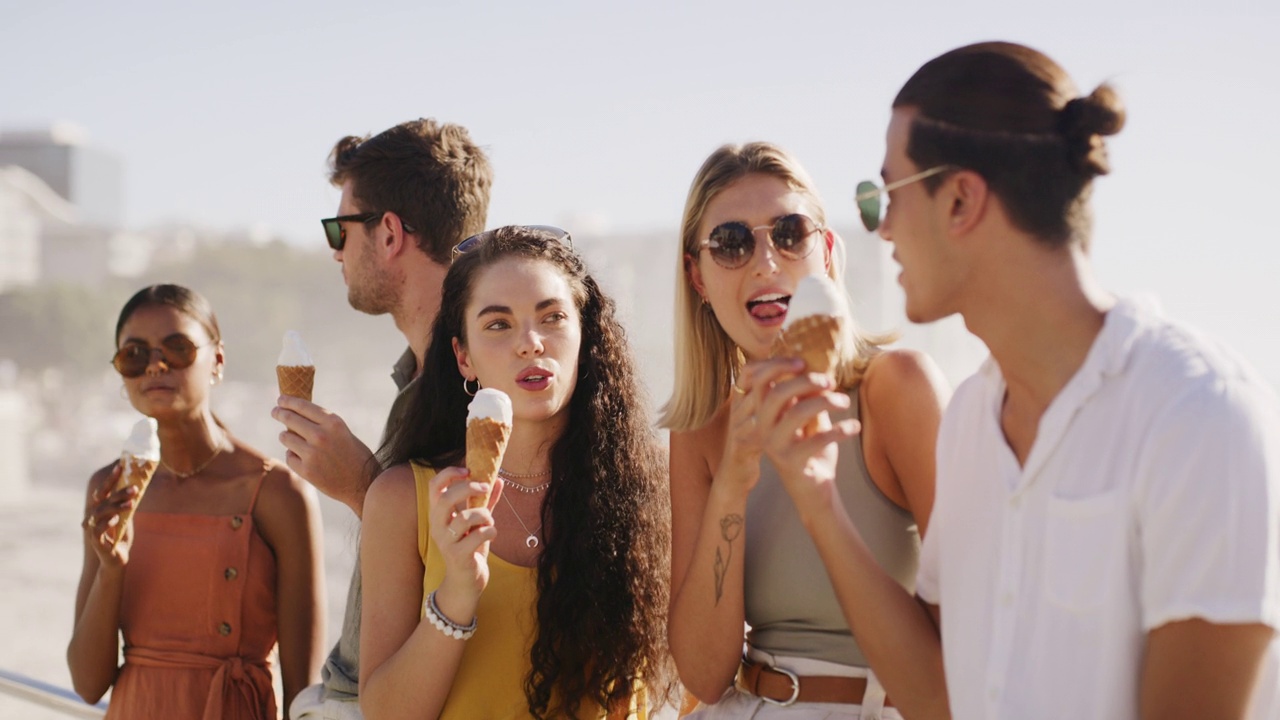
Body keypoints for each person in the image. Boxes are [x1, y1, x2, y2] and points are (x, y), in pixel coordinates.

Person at [775, 41, 1280, 719]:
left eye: (885, 195)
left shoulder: (1197, 413)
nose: (881, 229)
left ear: (960, 199)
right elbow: (936, 697)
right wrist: (819, 506)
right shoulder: (969, 424)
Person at [662, 141, 949, 719]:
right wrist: (732, 485)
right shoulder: (704, 430)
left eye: (790, 232)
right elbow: (704, 673)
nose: (766, 262)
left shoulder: (896, 390)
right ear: (697, 275)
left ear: (827, 251)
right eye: (732, 244)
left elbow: (967, 651)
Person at [359, 225, 676, 719]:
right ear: (463, 356)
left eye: (552, 318)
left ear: (585, 333)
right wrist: (457, 594)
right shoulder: (404, 499)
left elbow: (695, 679)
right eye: (498, 325)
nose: (531, 343)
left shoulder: (653, 484)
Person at [272, 118, 493, 719]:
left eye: (338, 229)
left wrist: (362, 485)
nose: (335, 251)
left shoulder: (479, 388)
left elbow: (481, 556)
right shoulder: (421, 375)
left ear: (389, 233)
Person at [69, 283, 326, 718]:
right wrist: (111, 568)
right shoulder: (111, 489)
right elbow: (88, 684)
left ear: (218, 360)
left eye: (177, 347)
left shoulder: (278, 493)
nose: (156, 365)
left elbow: (305, 692)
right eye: (134, 354)